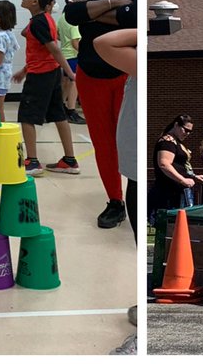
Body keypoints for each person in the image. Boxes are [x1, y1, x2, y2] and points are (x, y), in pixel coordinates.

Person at [62, 0, 137, 229]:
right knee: (103, 144)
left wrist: (92, 11)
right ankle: (115, 202)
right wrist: (113, 6)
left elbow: (132, 17)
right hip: (90, 77)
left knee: (127, 142)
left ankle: (134, 196)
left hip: (123, 78)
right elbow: (71, 14)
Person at [92, 26, 139, 349]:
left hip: (138, 174)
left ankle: (141, 340)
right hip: (134, 173)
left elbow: (102, 42)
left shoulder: (142, 60)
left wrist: (144, 29)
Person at [12, 0, 79, 177]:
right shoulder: (45, 19)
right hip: (50, 73)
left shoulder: (40, 21)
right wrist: (24, 70)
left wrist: (71, 73)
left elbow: (54, 50)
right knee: (59, 115)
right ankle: (69, 160)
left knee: (26, 117)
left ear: (35, 2)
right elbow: (42, 51)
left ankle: (32, 162)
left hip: (41, 76)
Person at [151, 116, 203, 215]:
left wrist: (193, 176)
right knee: (168, 224)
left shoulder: (176, 142)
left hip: (177, 191)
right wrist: (183, 180)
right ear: (176, 125)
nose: (187, 133)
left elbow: (179, 166)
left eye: (190, 131)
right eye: (186, 130)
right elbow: (164, 164)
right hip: (167, 193)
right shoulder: (167, 141)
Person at [55, 0, 84, 124]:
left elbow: (57, 35)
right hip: (73, 55)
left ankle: (61, 108)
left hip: (64, 54)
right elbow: (75, 42)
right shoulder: (74, 21)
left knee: (65, 82)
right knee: (75, 82)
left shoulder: (62, 18)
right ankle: (71, 110)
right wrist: (85, 53)